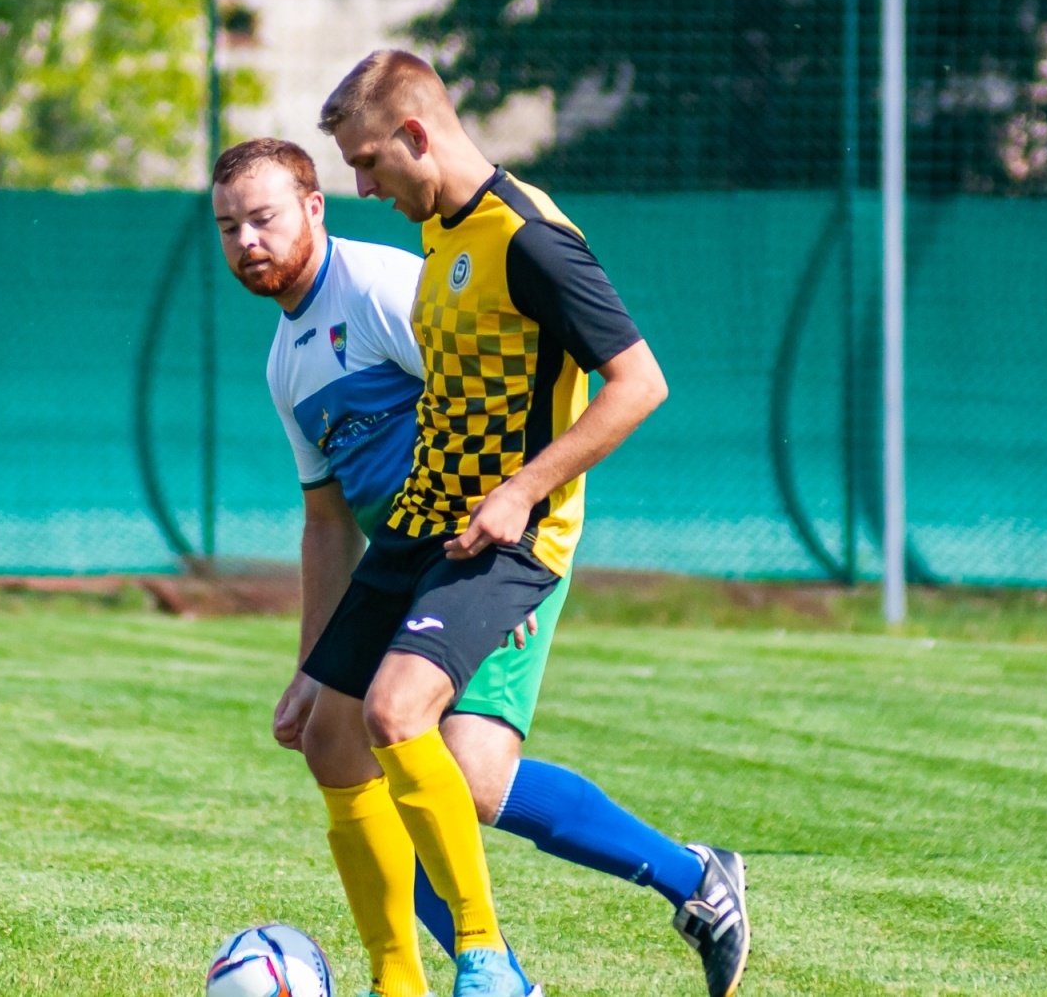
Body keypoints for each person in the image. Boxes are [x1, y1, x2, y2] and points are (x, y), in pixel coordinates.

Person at [211, 134, 748, 997]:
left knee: (465, 775)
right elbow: (325, 524)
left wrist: (505, 562)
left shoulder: (383, 287)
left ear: (315, 207)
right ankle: (439, 979)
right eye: (230, 228)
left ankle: (681, 890)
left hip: (484, 545)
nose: (248, 243)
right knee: (340, 745)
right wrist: (313, 668)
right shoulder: (287, 361)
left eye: (264, 219)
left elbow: (497, 408)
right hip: (407, 559)